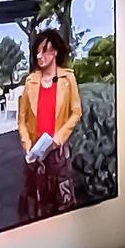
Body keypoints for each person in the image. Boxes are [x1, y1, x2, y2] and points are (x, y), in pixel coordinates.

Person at [16, 27, 82, 222]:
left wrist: (58, 139)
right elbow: (22, 119)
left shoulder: (68, 79)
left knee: (63, 204)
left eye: (45, 50)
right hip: (36, 155)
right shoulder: (30, 82)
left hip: (57, 153)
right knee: (38, 207)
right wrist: (28, 146)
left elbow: (76, 112)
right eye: (37, 51)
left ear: (55, 52)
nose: (40, 56)